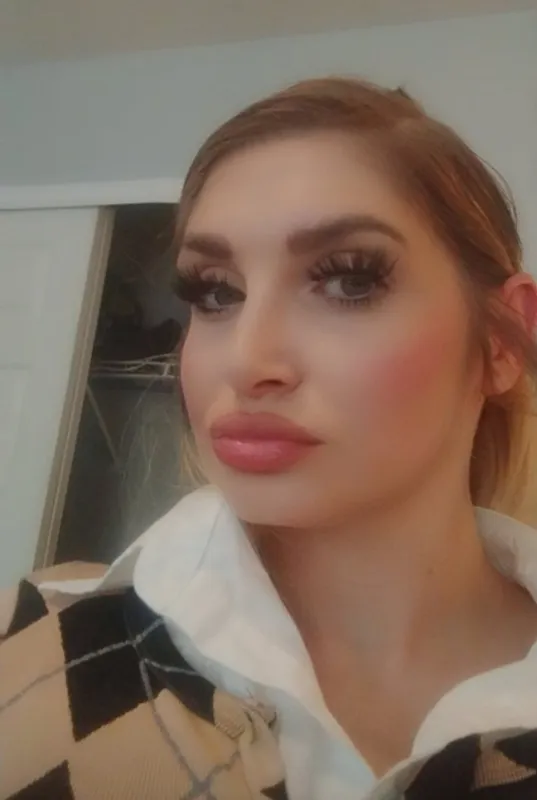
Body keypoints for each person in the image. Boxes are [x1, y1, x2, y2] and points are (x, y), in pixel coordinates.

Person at [2, 77, 537, 800]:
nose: (246, 360)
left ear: (502, 341)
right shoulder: (27, 649)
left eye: (348, 281)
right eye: (215, 292)